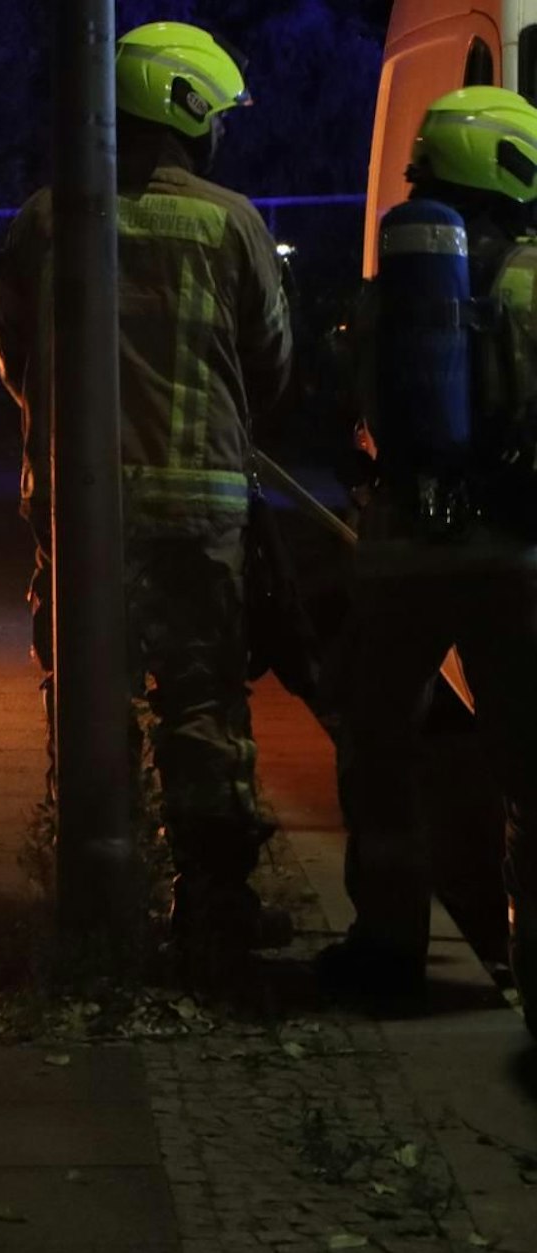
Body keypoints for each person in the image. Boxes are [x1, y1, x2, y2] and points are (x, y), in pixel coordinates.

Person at [0, 21, 293, 975]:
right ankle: (214, 912)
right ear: (188, 110)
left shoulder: (48, 219)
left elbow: (13, 361)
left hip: (82, 521)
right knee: (203, 704)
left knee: (87, 701)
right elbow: (273, 366)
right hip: (200, 516)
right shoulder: (234, 224)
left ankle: (96, 910)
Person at [322, 87, 537, 1034]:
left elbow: (361, 415)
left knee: (382, 753)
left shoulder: (385, 295)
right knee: (530, 763)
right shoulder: (534, 282)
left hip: (400, 554)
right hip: (512, 555)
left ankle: (387, 944)